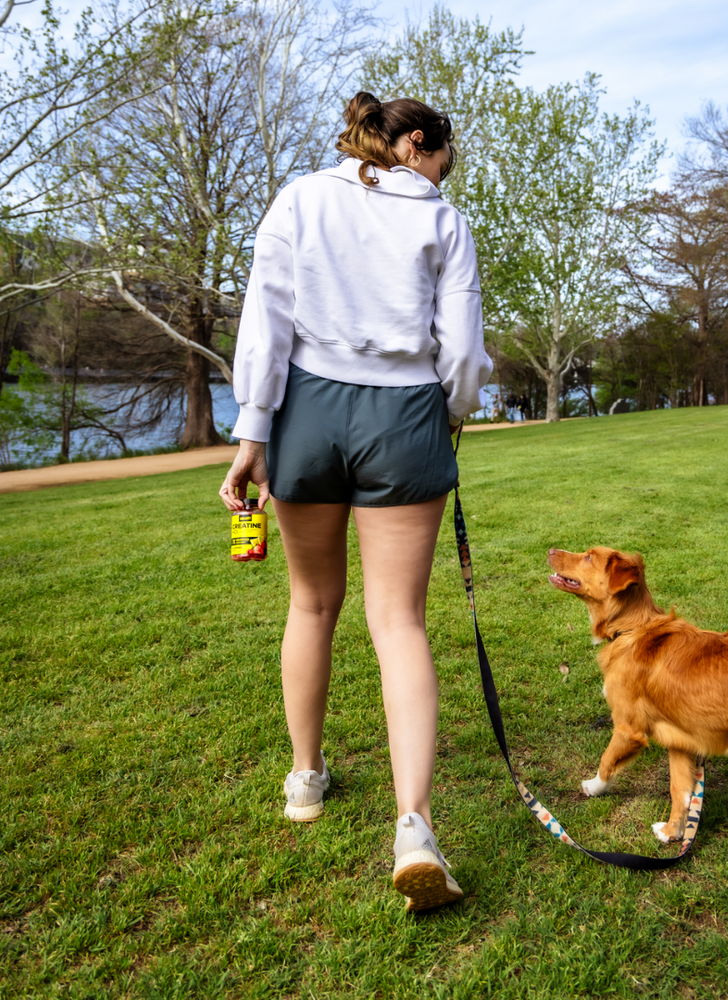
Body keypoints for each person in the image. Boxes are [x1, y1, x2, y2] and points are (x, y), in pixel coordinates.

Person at [219, 91, 493, 912]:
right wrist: (448, 416)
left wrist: (252, 431)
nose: (446, 176)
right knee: (399, 622)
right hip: (403, 413)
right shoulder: (443, 222)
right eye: (445, 159)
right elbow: (466, 353)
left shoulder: (299, 199)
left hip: (307, 411)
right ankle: (414, 825)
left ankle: (305, 779)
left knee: (310, 605)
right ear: (416, 144)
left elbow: (265, 322)